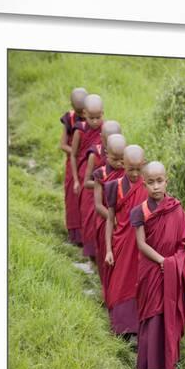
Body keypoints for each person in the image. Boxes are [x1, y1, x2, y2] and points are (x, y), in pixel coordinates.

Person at [130, 161, 185, 369]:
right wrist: (162, 262)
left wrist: (173, 262)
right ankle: (149, 366)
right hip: (151, 268)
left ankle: (167, 363)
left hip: (171, 269)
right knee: (152, 313)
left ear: (166, 181)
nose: (156, 186)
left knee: (168, 313)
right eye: (151, 182)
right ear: (144, 184)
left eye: (160, 181)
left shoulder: (176, 209)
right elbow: (141, 244)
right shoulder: (140, 211)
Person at [104, 145, 148, 335]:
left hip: (141, 245)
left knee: (137, 284)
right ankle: (121, 328)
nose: (135, 173)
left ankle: (136, 328)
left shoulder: (148, 187)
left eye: (139, 169)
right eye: (131, 169)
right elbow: (110, 218)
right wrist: (108, 249)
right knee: (120, 284)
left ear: (144, 165)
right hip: (121, 242)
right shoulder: (114, 187)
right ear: (123, 164)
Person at [84, 133, 126, 295]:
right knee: (106, 257)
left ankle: (119, 291)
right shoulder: (100, 174)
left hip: (124, 223)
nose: (119, 163)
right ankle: (107, 290)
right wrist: (114, 220)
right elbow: (98, 205)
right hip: (105, 221)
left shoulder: (128, 171)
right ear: (106, 154)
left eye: (122, 159)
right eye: (115, 159)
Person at [81, 121, 123, 263]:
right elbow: (87, 182)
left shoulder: (126, 159)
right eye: (107, 140)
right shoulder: (96, 156)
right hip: (105, 210)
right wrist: (106, 186)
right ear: (102, 138)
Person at [70, 94, 104, 257]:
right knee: (88, 214)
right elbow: (74, 154)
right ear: (84, 113)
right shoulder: (80, 130)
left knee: (99, 217)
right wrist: (76, 179)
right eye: (92, 118)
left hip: (102, 178)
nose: (95, 121)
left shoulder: (106, 129)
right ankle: (90, 251)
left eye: (98, 117)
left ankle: (99, 251)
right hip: (86, 176)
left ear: (103, 114)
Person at [59, 87, 88, 245]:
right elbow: (63, 145)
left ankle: (87, 233)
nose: (84, 115)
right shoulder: (69, 119)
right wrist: (77, 153)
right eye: (80, 111)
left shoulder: (94, 116)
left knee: (86, 198)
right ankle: (75, 235)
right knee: (72, 198)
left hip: (89, 163)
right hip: (74, 163)